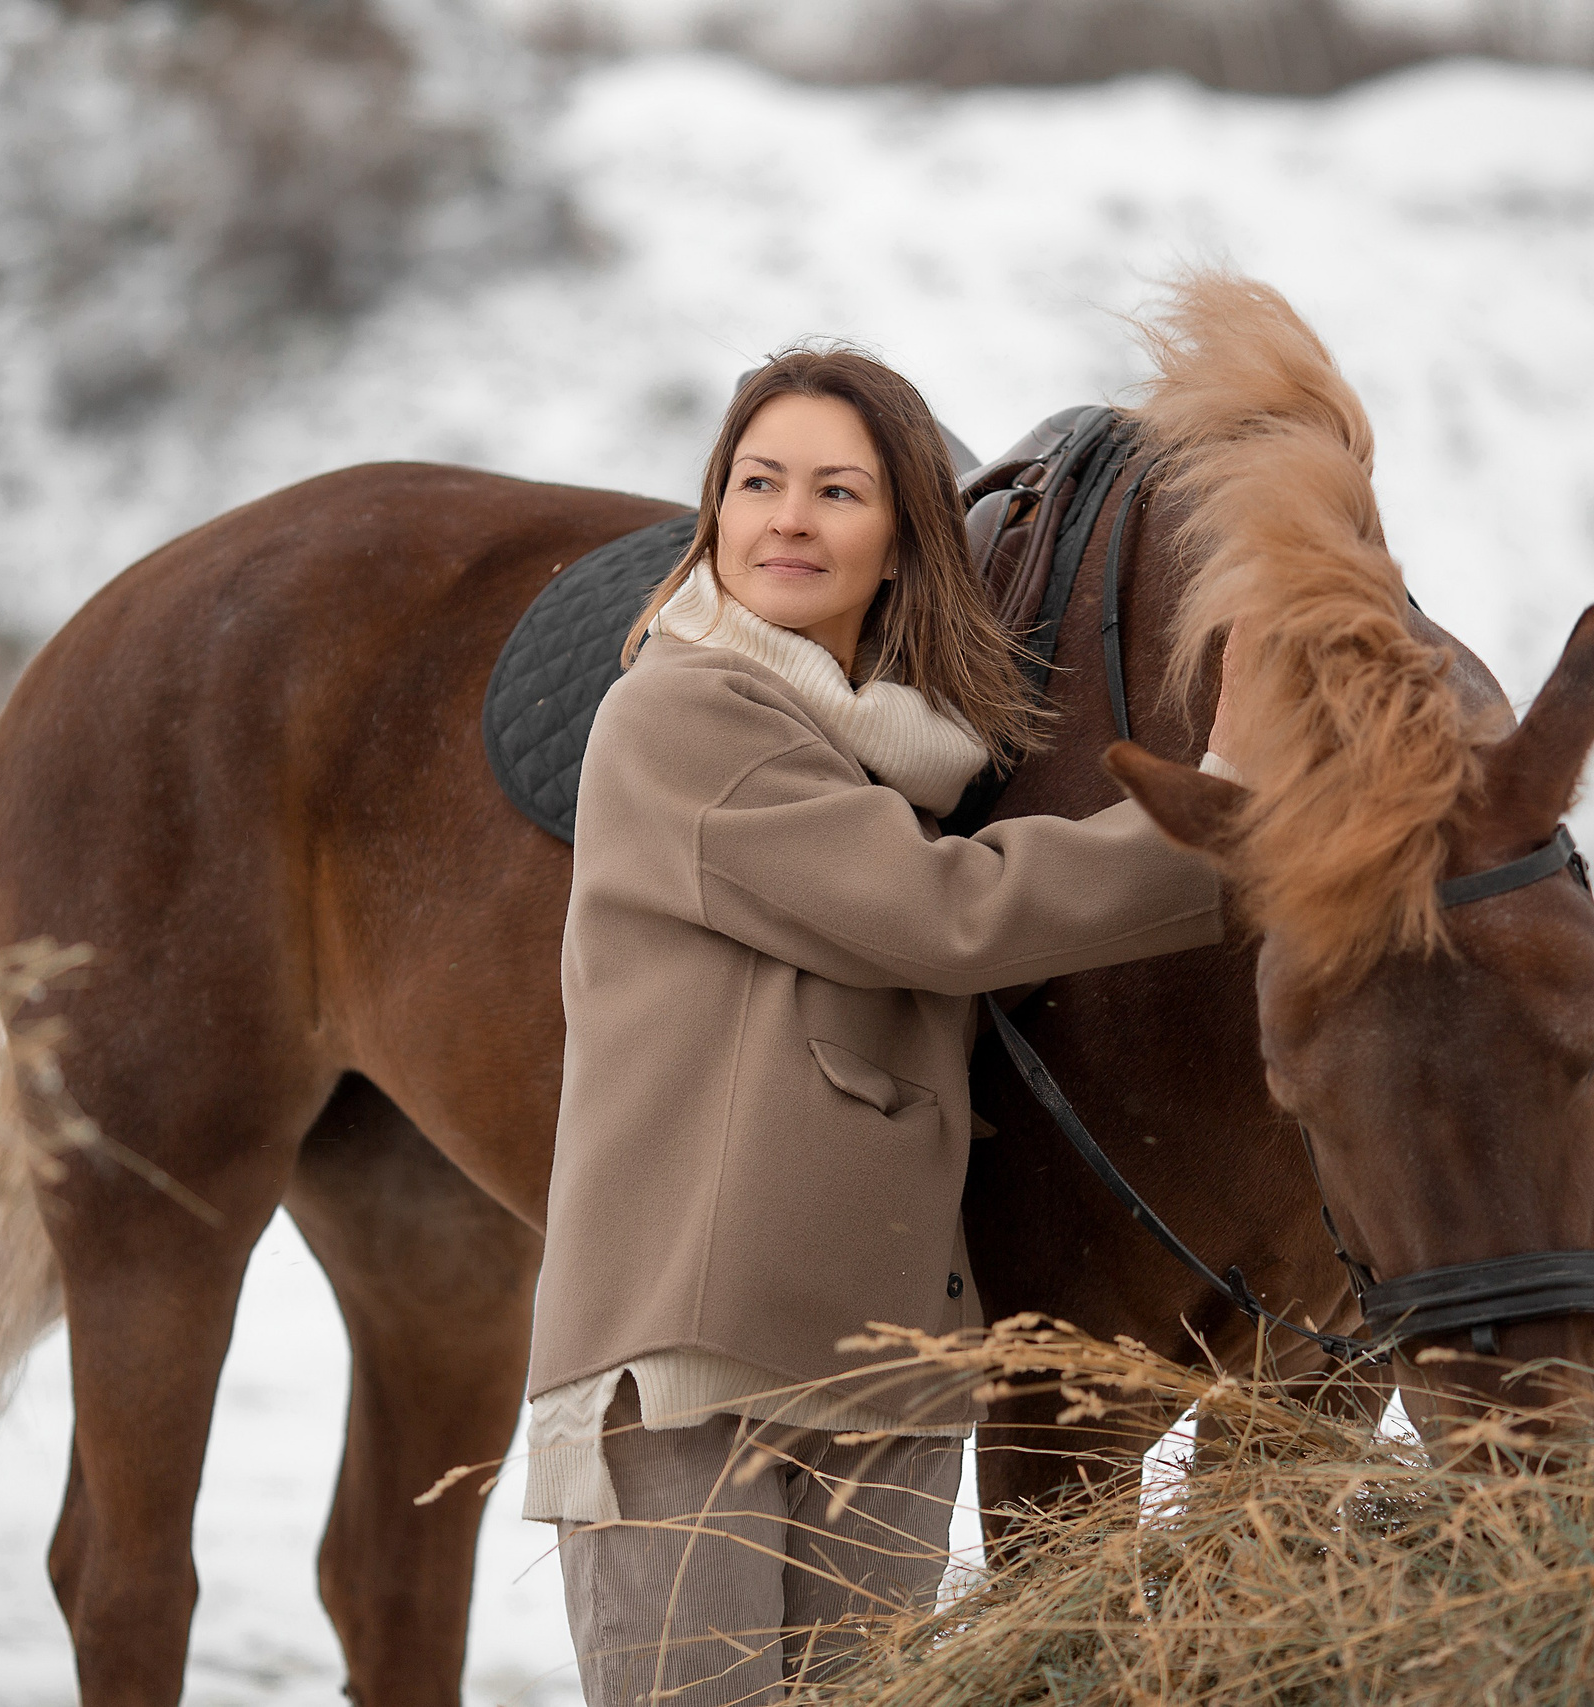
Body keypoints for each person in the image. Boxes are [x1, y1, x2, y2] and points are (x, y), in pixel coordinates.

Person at [523, 346, 1235, 1706]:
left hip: (887, 1373)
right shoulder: (680, 716)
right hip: (694, 1364)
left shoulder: (897, 756)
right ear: (716, 515)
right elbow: (942, 919)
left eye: (837, 491)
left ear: (906, 541)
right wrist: (1220, 817)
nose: (788, 516)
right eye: (758, 482)